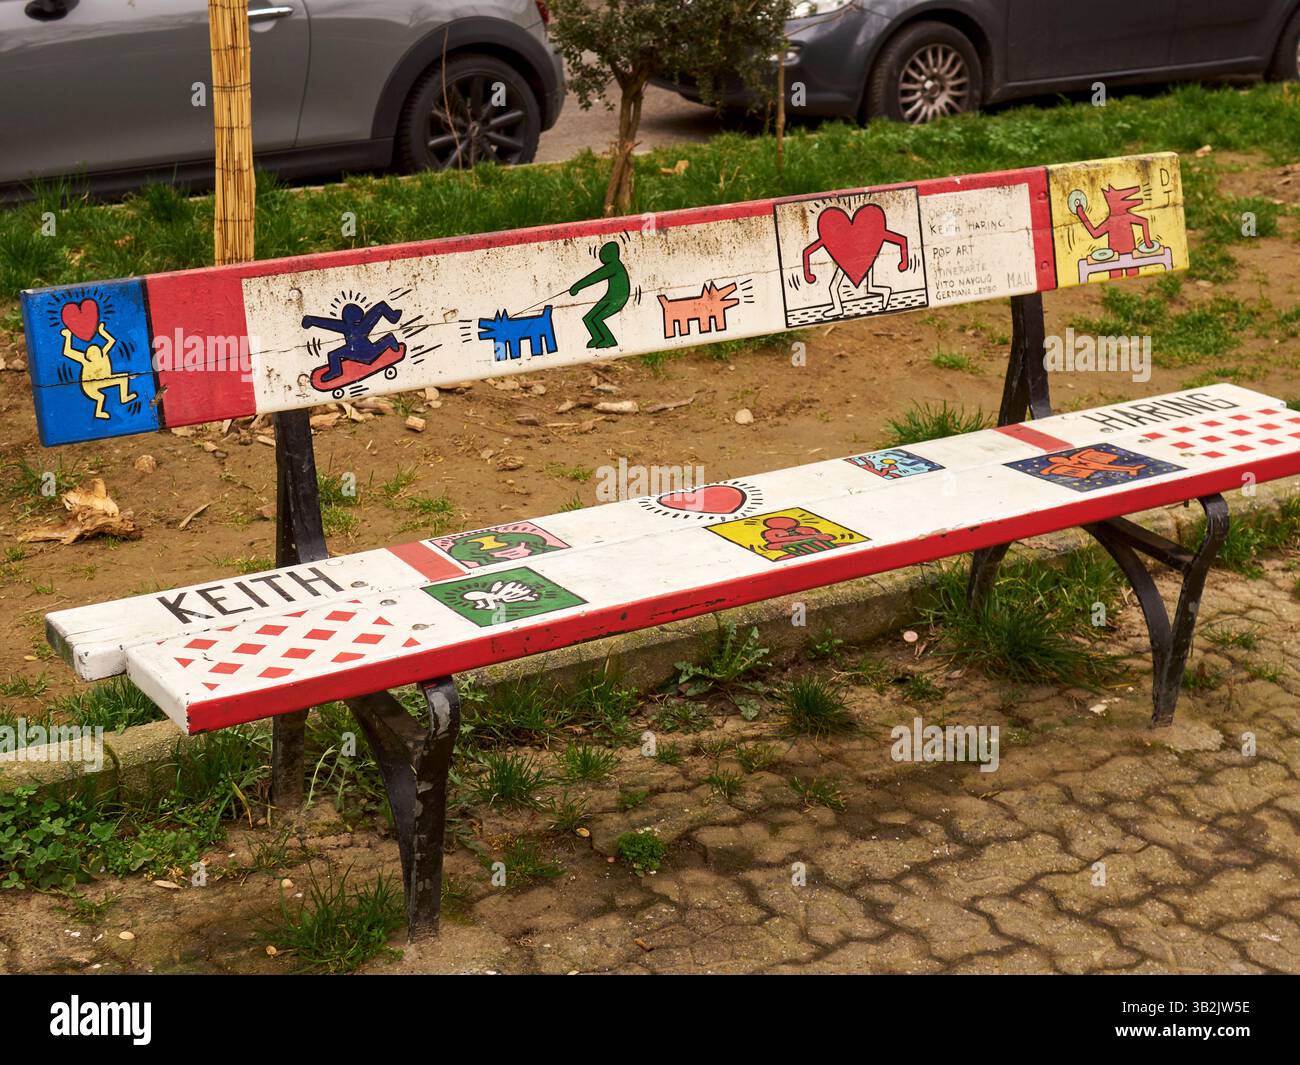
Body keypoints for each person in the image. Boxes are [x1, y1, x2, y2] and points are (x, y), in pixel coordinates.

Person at [302, 301, 403, 382]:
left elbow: (327, 323)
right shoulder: (363, 324)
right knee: (334, 354)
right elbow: (379, 308)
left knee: (334, 355)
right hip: (369, 351)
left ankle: (336, 371)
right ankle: (388, 340)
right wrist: (392, 315)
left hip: (358, 353)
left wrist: (311, 321)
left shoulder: (347, 326)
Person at [60, 323, 135, 420]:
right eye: (91, 354)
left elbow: (111, 341)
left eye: (95, 351)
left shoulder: (103, 353)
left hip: (104, 380)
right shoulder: (85, 360)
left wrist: (102, 331)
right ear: (88, 356)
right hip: (89, 385)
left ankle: (124, 397)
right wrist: (68, 336)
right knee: (100, 397)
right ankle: (99, 412)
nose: (94, 354)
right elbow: (67, 351)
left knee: (123, 378)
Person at [568, 242, 629, 349]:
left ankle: (609, 339)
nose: (602, 256)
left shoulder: (614, 266)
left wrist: (577, 287)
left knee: (597, 318)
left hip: (618, 299)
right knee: (588, 318)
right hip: (610, 297)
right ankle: (597, 337)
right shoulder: (612, 265)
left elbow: (595, 277)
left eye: (605, 253)